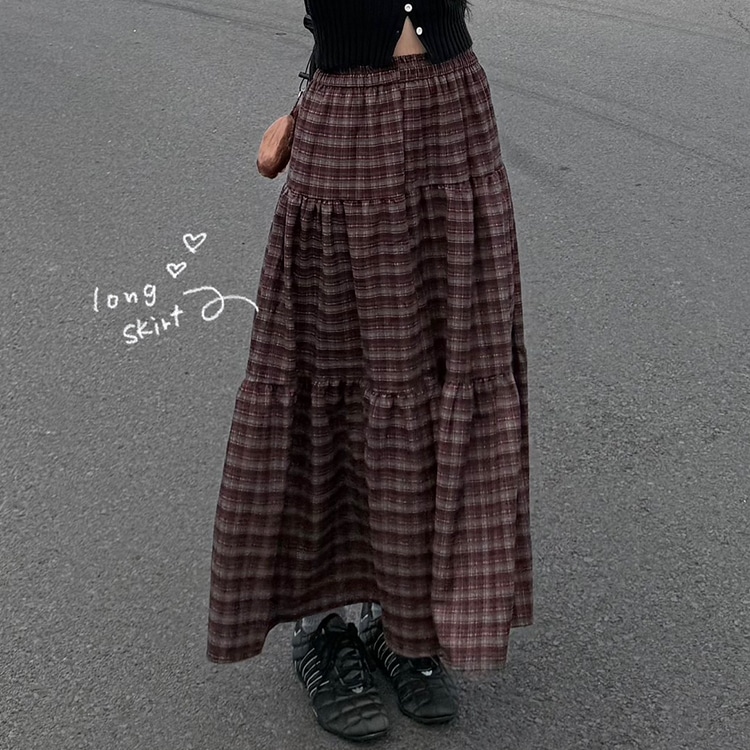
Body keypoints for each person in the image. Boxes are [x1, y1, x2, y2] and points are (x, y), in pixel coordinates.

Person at [207, 0, 532, 742]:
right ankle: (322, 628)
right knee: (331, 365)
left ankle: (400, 620)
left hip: (453, 112)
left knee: (441, 363)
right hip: (346, 120)